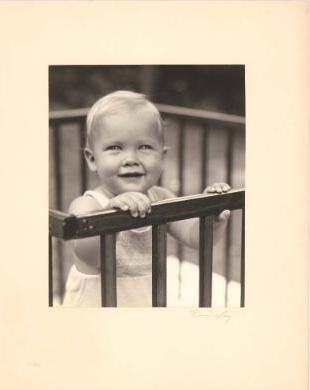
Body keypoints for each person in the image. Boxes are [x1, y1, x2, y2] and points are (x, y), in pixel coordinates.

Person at [62, 90, 231, 307]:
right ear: (92, 159)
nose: (131, 159)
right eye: (115, 148)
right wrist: (111, 216)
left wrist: (212, 217)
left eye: (144, 147)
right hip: (95, 311)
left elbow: (195, 237)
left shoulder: (160, 198)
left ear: (162, 157)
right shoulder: (88, 204)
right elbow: (90, 256)